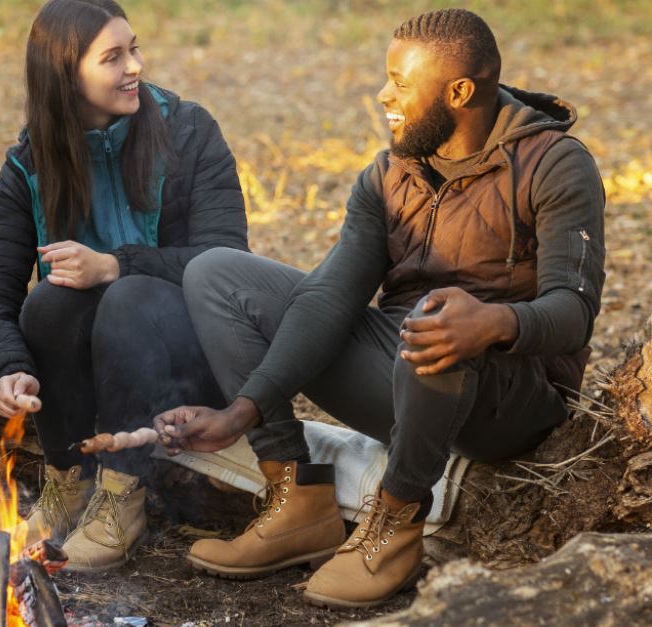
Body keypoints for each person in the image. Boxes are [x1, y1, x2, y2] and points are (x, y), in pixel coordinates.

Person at [155, 8, 605, 607]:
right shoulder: (389, 174)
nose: (382, 94)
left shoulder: (553, 163)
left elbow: (573, 312)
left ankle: (394, 523)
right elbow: (329, 296)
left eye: (400, 81)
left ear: (460, 92)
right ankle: (295, 497)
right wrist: (246, 408)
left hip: (510, 396)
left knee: (436, 322)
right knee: (216, 274)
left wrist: (494, 322)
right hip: (401, 370)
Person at [0, 0, 248, 572]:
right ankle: (67, 481)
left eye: (134, 48)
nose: (135, 66)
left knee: (127, 295)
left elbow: (228, 261)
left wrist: (116, 264)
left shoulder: (187, 131)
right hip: (92, 375)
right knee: (47, 302)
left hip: (187, 363)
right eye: (113, 57)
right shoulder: (29, 163)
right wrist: (7, 366)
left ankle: (122, 495)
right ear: (65, 77)